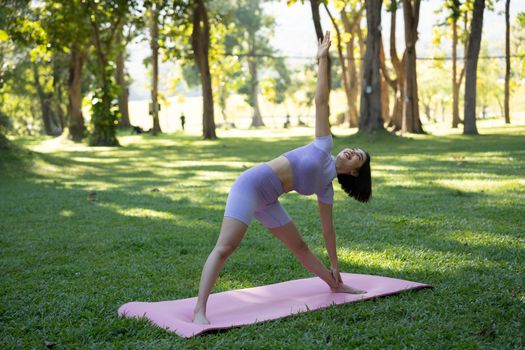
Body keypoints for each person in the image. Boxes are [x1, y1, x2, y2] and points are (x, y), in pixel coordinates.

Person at [193, 31, 372, 325]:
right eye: (353, 149)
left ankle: (335, 284)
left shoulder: (326, 189)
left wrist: (336, 266)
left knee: (301, 248)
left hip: (268, 200)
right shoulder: (323, 145)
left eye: (357, 157)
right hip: (249, 186)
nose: (351, 151)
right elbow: (321, 101)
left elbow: (328, 231)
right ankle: (200, 309)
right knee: (225, 247)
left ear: (353, 172)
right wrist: (323, 59)